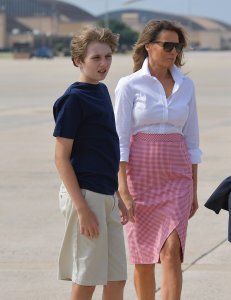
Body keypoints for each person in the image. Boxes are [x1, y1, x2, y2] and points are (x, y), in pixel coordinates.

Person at [114, 20, 202, 300]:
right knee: (142, 256)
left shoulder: (186, 86)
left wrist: (193, 189)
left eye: (177, 46)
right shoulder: (129, 85)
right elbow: (119, 139)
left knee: (172, 250)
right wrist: (123, 190)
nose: (173, 51)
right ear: (148, 46)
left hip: (177, 179)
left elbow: (192, 141)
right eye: (167, 45)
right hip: (140, 179)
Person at [53, 26, 128, 300]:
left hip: (106, 194)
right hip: (85, 196)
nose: (104, 63)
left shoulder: (102, 91)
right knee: (87, 280)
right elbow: (61, 157)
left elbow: (103, 149)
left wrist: (116, 194)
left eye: (108, 56)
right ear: (78, 60)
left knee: (116, 278)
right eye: (96, 58)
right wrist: (82, 208)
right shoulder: (73, 99)